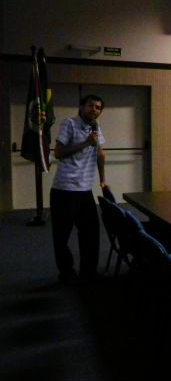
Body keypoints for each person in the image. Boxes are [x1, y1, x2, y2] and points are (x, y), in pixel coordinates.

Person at [50, 94, 107, 284]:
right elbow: (58, 153)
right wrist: (86, 143)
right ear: (81, 107)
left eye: (98, 107)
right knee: (62, 235)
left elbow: (100, 154)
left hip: (84, 190)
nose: (94, 110)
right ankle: (66, 272)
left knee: (91, 233)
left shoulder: (96, 127)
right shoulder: (70, 123)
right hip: (64, 190)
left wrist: (103, 179)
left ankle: (88, 272)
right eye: (90, 106)